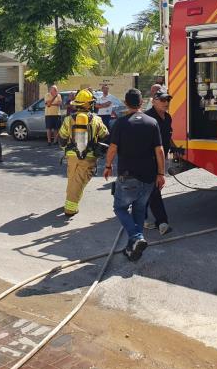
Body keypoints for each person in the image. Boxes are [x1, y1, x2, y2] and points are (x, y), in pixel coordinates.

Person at [104, 88, 165, 262]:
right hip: (148, 178)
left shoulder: (121, 124)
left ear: (125, 103)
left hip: (128, 177)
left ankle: (136, 237)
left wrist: (108, 166)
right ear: (141, 103)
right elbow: (159, 150)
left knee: (120, 208)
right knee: (139, 209)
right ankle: (133, 248)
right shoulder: (152, 122)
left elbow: (113, 148)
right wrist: (161, 173)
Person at [58, 89, 109, 217]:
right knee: (79, 182)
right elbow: (105, 136)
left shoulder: (68, 119)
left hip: (71, 156)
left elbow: (62, 139)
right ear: (89, 104)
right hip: (88, 157)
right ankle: (70, 209)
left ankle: (70, 201)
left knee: (73, 180)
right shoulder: (97, 120)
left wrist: (66, 150)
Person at [144, 86, 174, 235]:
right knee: (154, 189)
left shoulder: (168, 117)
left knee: (149, 189)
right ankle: (162, 222)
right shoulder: (148, 118)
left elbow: (167, 136)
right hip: (149, 160)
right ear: (154, 101)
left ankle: (141, 217)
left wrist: (174, 148)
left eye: (168, 99)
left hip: (162, 157)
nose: (166, 102)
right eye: (162, 100)